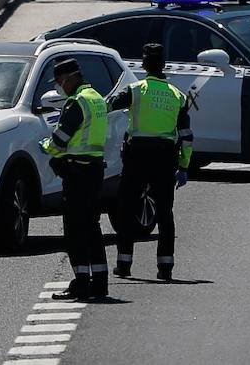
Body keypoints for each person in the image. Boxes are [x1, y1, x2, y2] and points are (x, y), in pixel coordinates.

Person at [109, 43, 193, 281]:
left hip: (138, 156)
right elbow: (186, 137)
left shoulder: (135, 90)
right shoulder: (178, 96)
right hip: (166, 157)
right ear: (164, 65)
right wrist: (184, 167)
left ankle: (124, 264)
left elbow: (110, 105)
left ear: (144, 65)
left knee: (126, 209)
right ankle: (165, 267)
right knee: (165, 212)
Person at [40, 57, 110, 299]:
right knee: (92, 226)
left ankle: (81, 282)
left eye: (60, 81)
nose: (60, 86)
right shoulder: (96, 98)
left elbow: (60, 140)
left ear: (70, 78)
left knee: (74, 230)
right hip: (94, 169)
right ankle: (99, 282)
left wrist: (45, 147)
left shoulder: (76, 103)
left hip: (77, 172)